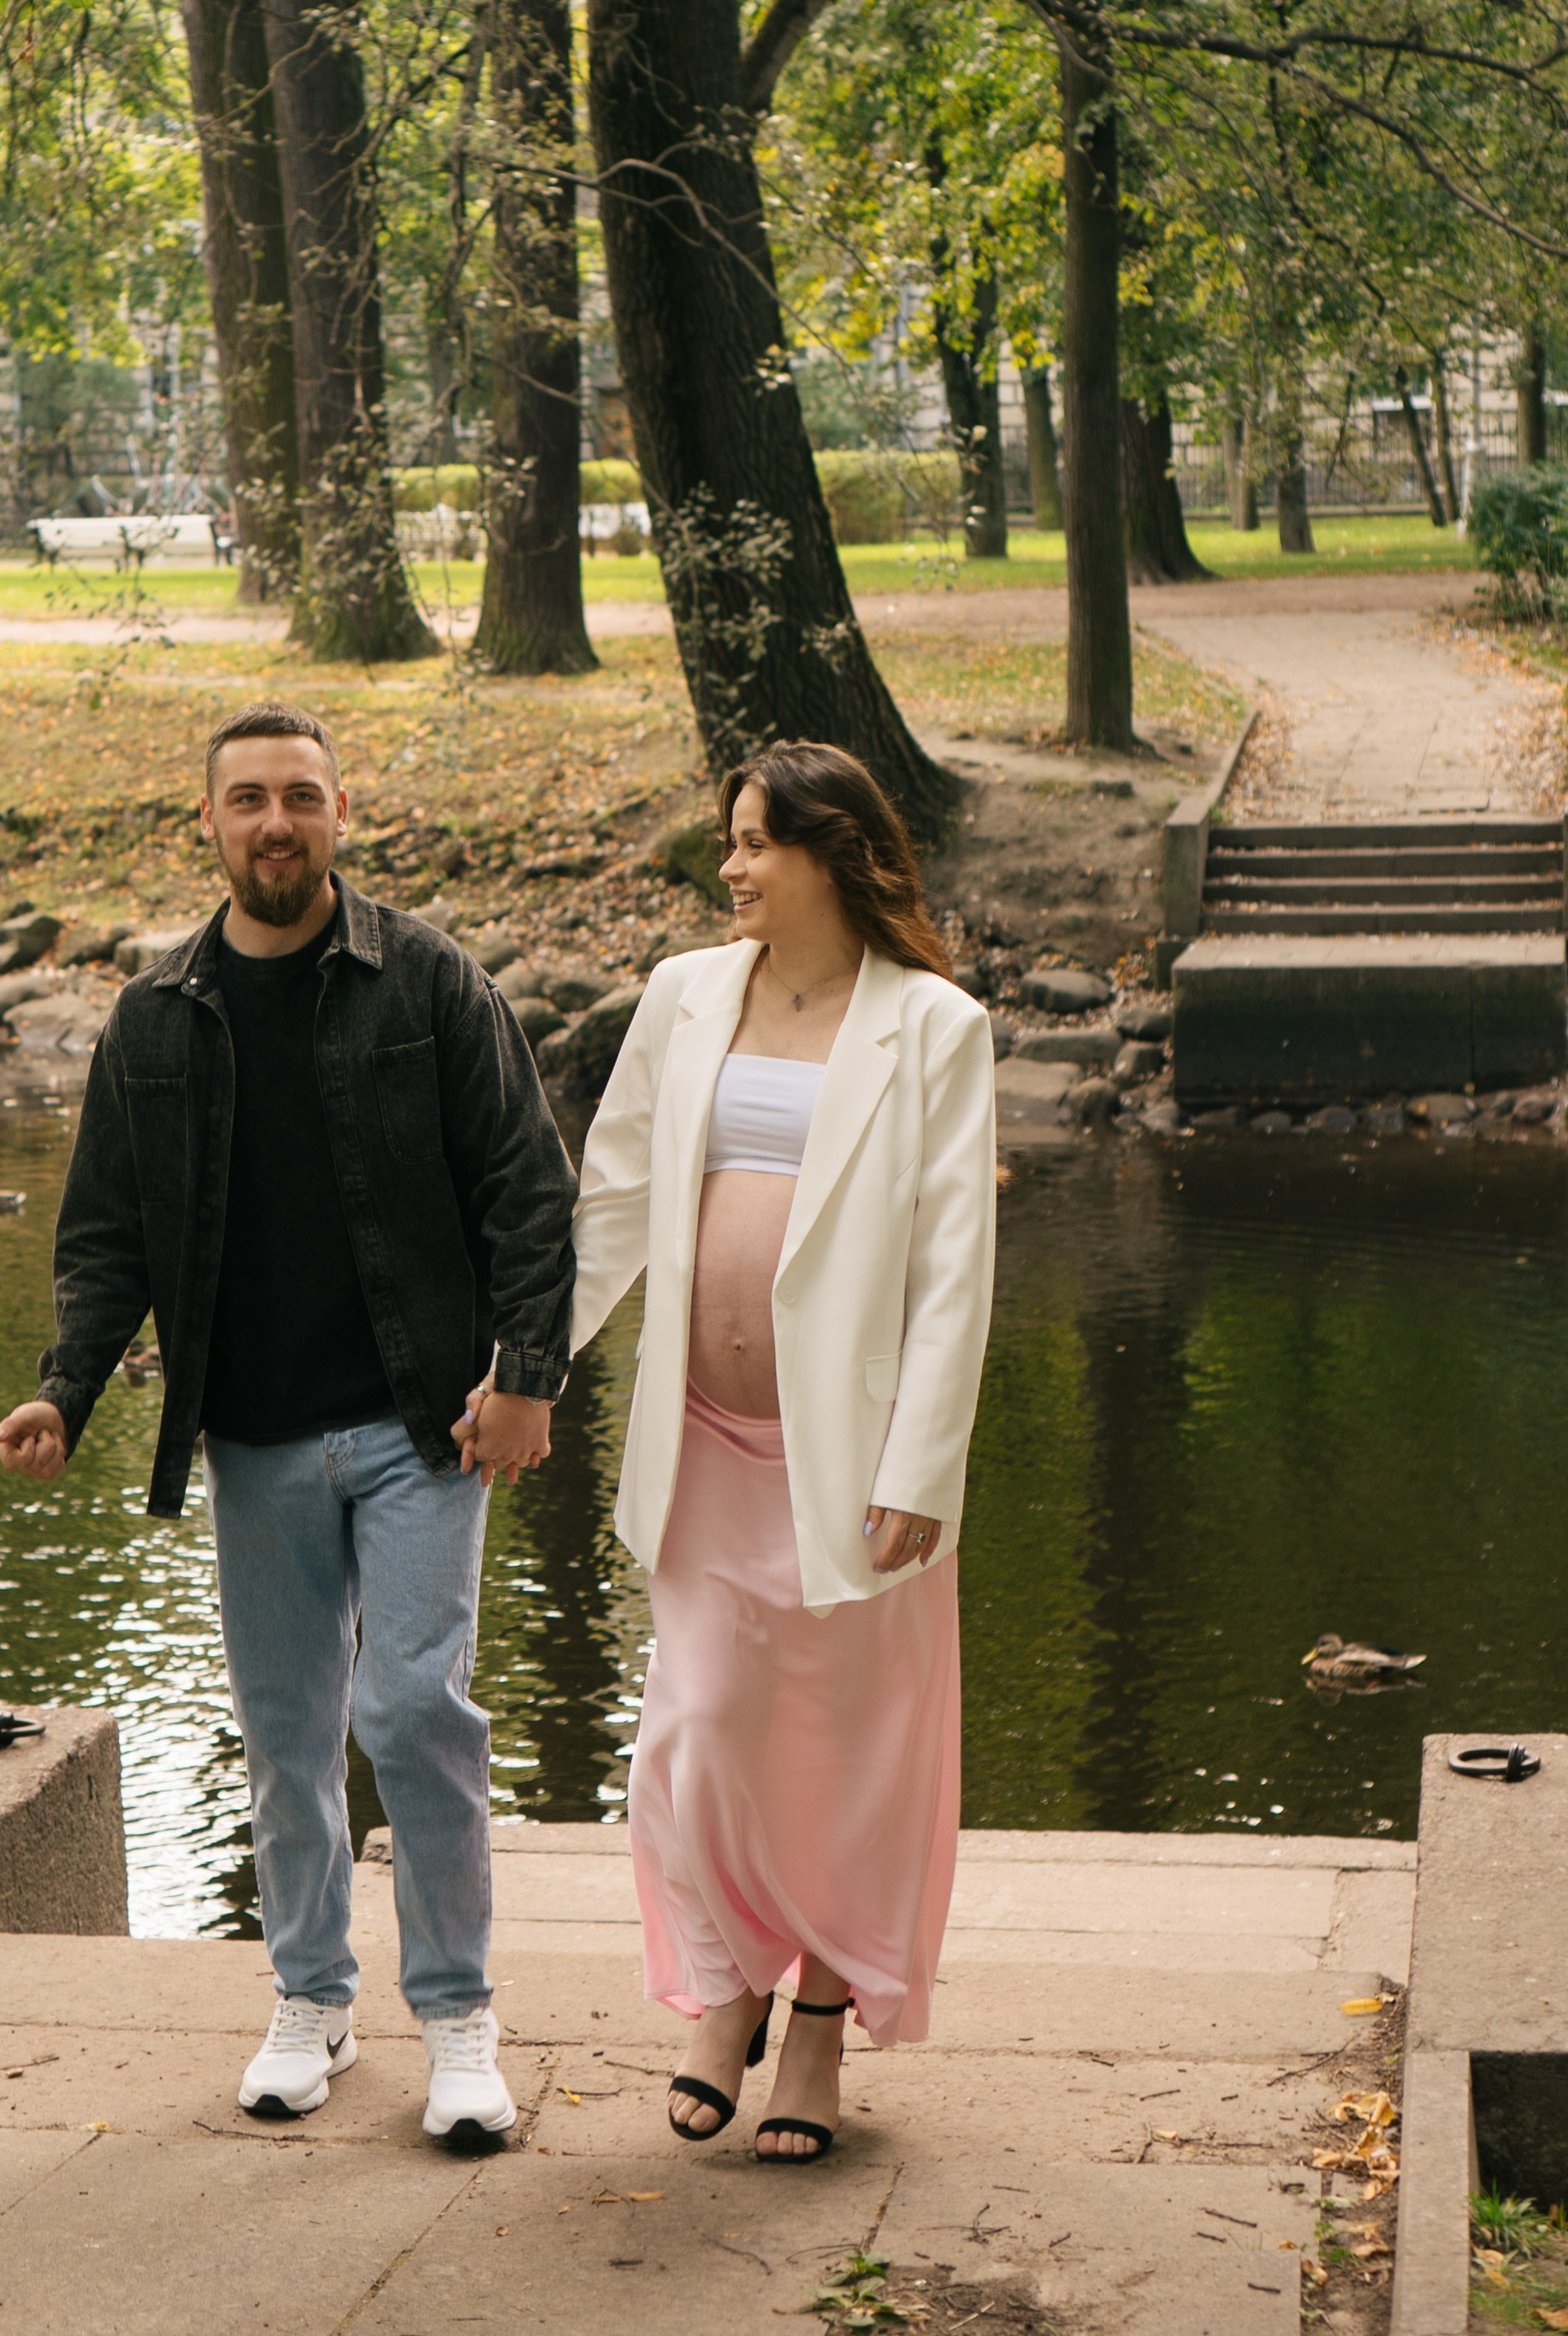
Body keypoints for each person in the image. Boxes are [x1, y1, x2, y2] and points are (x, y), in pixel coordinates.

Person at [0, 698, 576, 2155]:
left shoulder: (428, 982)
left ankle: (458, 2019)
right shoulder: (155, 1018)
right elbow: (107, 1234)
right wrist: (66, 1387)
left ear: (340, 813)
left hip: (424, 1425)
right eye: (247, 799)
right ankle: (312, 1998)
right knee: (288, 1736)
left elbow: (527, 1186)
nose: (275, 823)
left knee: (414, 1711)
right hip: (253, 1441)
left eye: (301, 797)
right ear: (209, 822)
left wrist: (527, 1375)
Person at [480, 740, 995, 2164]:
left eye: (759, 841)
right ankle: (724, 1990)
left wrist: (920, 1469)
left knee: (849, 1757)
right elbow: (613, 1203)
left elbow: (956, 1268)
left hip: (855, 1462)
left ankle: (815, 2018)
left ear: (835, 853)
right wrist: (527, 1371)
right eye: (733, 839)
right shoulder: (686, 994)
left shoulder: (935, 1026)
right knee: (695, 1738)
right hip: (701, 1446)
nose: (733, 866)